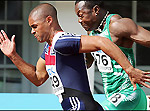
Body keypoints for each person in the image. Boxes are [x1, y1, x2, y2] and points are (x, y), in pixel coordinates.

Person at [0, 3, 149, 111]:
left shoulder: (62, 41)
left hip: (120, 97)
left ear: (49, 20)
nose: (32, 32)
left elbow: (102, 42)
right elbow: (38, 77)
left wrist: (129, 69)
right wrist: (13, 55)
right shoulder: (49, 48)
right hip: (105, 99)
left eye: (35, 26)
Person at [75, 0, 150, 110]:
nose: (79, 20)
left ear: (96, 10)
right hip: (113, 97)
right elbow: (88, 61)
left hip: (130, 93)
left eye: (81, 15)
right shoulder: (92, 33)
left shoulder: (118, 25)